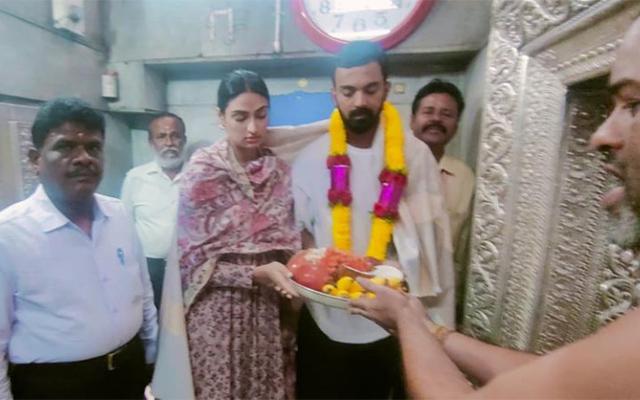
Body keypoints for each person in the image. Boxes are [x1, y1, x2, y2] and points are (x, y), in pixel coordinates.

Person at [349, 17, 640, 399]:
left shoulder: (462, 175)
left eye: (634, 104)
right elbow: (557, 377)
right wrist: (428, 330)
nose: (600, 136)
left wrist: (410, 321)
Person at [292, 41, 453, 399]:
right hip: (325, 317)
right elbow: (303, 233)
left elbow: (432, 244)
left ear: (386, 87)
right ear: (334, 93)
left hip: (388, 320)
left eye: (370, 89)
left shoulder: (414, 156)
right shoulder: (310, 158)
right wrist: (322, 275)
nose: (359, 101)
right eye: (348, 91)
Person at [0, 97, 158, 399]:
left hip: (129, 373)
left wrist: (154, 357)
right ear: (35, 159)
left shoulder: (120, 215)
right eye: (65, 146)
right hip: (55, 386)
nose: (83, 157)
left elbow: (144, 295)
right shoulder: (9, 235)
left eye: (93, 147)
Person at [177, 69, 304, 400]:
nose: (253, 128)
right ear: (220, 117)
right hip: (216, 312)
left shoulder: (279, 171)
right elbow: (192, 264)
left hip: (268, 311)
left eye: (261, 116)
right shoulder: (202, 173)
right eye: (240, 117)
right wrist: (253, 273)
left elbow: (289, 244)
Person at [411, 79, 475, 317]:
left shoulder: (465, 177)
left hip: (440, 300)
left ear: (456, 126)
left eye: (446, 114)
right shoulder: (387, 170)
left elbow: (465, 248)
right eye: (428, 112)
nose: (436, 119)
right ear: (412, 119)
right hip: (390, 288)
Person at [121, 112, 187, 309]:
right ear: (151, 142)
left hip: (189, 269)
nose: (169, 143)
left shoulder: (199, 177)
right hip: (149, 269)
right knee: (153, 323)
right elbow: (123, 226)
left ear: (184, 140)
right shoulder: (135, 178)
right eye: (161, 136)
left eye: (175, 136)